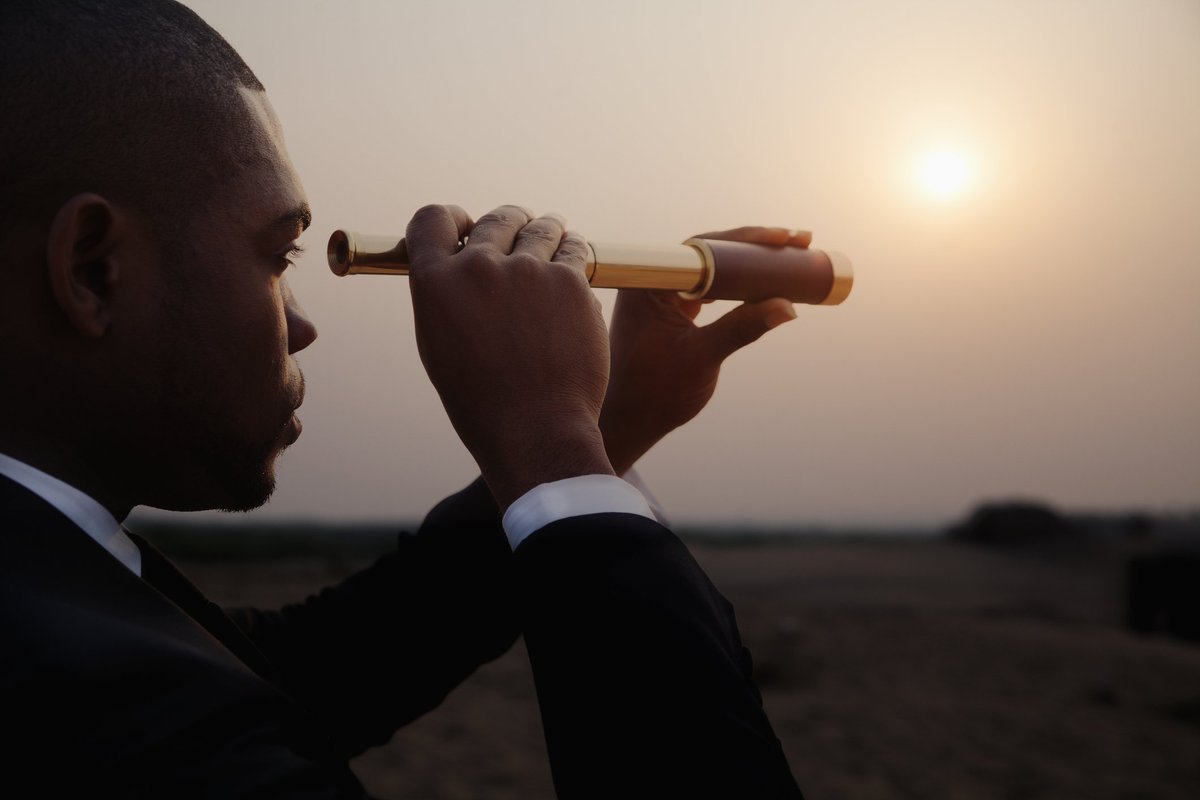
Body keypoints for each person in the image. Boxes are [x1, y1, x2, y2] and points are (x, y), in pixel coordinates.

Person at [0, 1, 810, 797]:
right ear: (93, 270)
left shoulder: (62, 612)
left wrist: (608, 422)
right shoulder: (115, 726)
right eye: (281, 256)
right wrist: (552, 445)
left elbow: (296, 679)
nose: (302, 327)